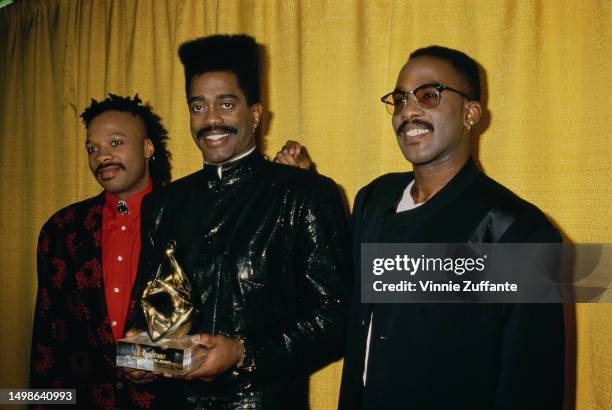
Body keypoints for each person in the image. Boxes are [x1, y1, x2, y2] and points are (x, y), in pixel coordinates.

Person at [278, 46, 565, 410]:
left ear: (470, 113)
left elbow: (532, 388)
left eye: (429, 95)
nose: (408, 111)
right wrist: (310, 193)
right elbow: (345, 291)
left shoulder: (517, 233)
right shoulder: (375, 200)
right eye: (399, 99)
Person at [128, 34, 350, 409]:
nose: (210, 120)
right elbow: (154, 310)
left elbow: (339, 317)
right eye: (198, 107)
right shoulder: (163, 205)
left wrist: (244, 354)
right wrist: (144, 352)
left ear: (255, 114)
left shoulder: (305, 195)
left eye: (226, 104)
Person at [30, 94, 177, 409]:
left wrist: (155, 359)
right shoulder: (62, 229)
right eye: (92, 148)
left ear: (148, 148)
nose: (102, 156)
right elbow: (48, 344)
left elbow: (218, 333)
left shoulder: (188, 220)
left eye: (116, 142)